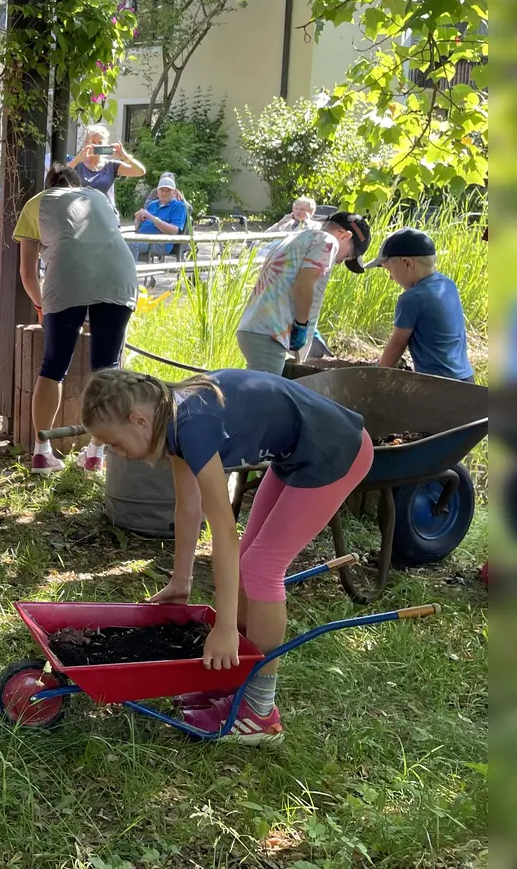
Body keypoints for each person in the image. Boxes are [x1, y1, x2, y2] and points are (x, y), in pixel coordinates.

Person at [81, 367, 375, 744]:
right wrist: (180, 581)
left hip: (336, 451)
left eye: (115, 444)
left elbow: (222, 529)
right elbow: (188, 508)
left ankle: (261, 711)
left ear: (137, 419)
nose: (117, 454)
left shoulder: (193, 425)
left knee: (260, 567)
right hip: (298, 455)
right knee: (249, 563)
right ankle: (235, 679)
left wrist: (223, 627)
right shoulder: (168, 417)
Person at [14, 163, 138, 474]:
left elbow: (27, 274)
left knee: (53, 366)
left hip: (67, 275)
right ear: (77, 183)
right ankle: (96, 452)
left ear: (49, 184)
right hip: (119, 273)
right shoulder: (97, 197)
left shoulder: (36, 202)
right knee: (106, 369)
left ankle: (42, 452)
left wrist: (42, 305)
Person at [236, 211, 371, 374]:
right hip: (270, 333)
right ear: (344, 236)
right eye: (348, 255)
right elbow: (304, 285)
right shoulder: (328, 241)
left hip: (253, 327)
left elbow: (288, 284)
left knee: (256, 388)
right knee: (264, 395)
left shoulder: (297, 238)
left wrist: (307, 325)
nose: (340, 261)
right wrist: (302, 325)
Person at [369, 228, 474, 381]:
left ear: (407, 263)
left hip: (438, 384)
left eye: (390, 271)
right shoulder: (448, 285)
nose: (391, 278)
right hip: (466, 378)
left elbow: (397, 345)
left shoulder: (411, 298)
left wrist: (377, 373)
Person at [73, 124, 145, 206]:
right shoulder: (78, 165)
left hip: (106, 214)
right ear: (86, 143)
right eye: (93, 142)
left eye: (100, 142)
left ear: (105, 143)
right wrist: (79, 157)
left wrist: (125, 157)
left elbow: (140, 171)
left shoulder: (111, 165)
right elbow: (60, 177)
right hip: (82, 213)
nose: (97, 146)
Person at [127, 172, 189, 261]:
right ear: (157, 191)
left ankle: (128, 274)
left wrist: (151, 218)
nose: (164, 193)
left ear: (174, 192)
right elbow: (137, 228)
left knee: (130, 245)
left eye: (167, 190)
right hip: (142, 239)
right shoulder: (151, 205)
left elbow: (173, 230)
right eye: (161, 190)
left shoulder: (179, 206)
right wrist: (137, 219)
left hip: (159, 242)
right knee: (116, 242)